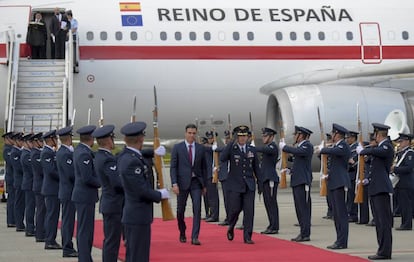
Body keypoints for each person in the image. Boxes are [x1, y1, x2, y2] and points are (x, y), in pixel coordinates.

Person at [118, 121, 170, 262]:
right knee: (138, 256)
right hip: (137, 216)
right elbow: (141, 190)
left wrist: (153, 152)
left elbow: (140, 154)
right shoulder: (132, 161)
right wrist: (160, 194)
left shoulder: (127, 156)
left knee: (135, 255)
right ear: (141, 139)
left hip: (135, 215)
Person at [357, 123, 394, 260]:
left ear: (379, 135)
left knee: (383, 222)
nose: (374, 138)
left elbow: (377, 151)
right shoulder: (378, 147)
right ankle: (381, 249)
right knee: (378, 222)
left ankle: (385, 251)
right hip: (375, 188)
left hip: (381, 189)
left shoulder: (386, 146)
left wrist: (364, 150)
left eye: (375, 135)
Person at [220, 125, 262, 244]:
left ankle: (247, 236)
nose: (242, 138)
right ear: (236, 137)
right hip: (235, 185)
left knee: (249, 211)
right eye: (240, 136)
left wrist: (260, 182)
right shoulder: (232, 149)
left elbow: (256, 168)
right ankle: (231, 226)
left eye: (244, 136)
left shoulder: (252, 150)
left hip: (249, 185)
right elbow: (222, 158)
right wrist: (230, 143)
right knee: (235, 210)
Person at [170, 123, 207, 245]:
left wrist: (205, 185)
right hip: (182, 183)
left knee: (197, 209)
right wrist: (174, 183)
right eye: (189, 133)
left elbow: (204, 168)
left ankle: (195, 236)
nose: (192, 135)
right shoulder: (178, 148)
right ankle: (182, 231)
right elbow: (173, 167)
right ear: (185, 133)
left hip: (196, 183)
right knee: (180, 210)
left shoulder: (201, 148)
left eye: (194, 133)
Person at [92, 125, 124, 262]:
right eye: (112, 138)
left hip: (110, 203)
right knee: (112, 241)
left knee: (111, 240)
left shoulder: (101, 156)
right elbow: (116, 183)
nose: (113, 141)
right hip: (113, 204)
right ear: (108, 140)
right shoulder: (107, 159)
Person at [319, 123, 351, 249]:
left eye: (333, 133)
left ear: (337, 134)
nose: (332, 135)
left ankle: (342, 241)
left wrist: (323, 148)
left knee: (341, 214)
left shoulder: (343, 145)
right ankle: (339, 239)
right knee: (336, 214)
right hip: (334, 182)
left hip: (340, 183)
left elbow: (333, 151)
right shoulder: (336, 146)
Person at [279, 126, 313, 242]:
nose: (294, 137)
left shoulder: (307, 145)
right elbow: (298, 164)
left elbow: (299, 152)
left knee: (303, 209)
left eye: (296, 135)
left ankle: (305, 234)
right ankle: (303, 232)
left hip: (303, 181)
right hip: (297, 180)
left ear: (301, 135)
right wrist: (290, 170)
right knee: (299, 208)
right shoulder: (300, 147)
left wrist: (285, 147)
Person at [72, 125, 100, 262]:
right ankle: (84, 258)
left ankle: (85, 257)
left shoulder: (81, 150)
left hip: (84, 195)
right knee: (84, 231)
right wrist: (102, 182)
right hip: (84, 195)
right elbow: (87, 177)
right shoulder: (84, 153)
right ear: (91, 138)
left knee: (86, 230)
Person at [56, 126, 78, 257]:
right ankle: (67, 247)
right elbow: (71, 174)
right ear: (69, 138)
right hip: (68, 191)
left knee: (68, 220)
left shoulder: (64, 152)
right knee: (68, 221)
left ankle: (67, 246)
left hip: (67, 191)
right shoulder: (64, 154)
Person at [40, 130, 62, 249]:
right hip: (51, 189)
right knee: (51, 215)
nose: (56, 141)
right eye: (55, 139)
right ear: (50, 139)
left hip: (53, 189)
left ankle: (51, 239)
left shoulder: (51, 152)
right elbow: (51, 171)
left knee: (53, 215)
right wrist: (62, 176)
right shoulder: (46, 153)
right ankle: (49, 240)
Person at [256, 127, 279, 234]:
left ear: (271, 137)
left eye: (265, 136)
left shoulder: (272, 146)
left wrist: (253, 147)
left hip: (271, 179)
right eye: (263, 136)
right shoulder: (267, 147)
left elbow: (264, 149)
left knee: (271, 203)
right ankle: (271, 224)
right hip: (265, 178)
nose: (263, 138)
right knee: (267, 203)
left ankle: (274, 226)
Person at [392, 133, 414, 230]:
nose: (400, 143)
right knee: (402, 204)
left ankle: (407, 224)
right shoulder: (401, 153)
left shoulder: (410, 153)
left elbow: (409, 168)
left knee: (406, 205)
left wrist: (395, 169)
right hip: (400, 183)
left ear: (408, 142)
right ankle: (404, 223)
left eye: (402, 141)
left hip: (406, 183)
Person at [30, 132, 46, 242]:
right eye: (40, 141)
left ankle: (41, 232)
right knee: (41, 211)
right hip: (39, 185)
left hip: (40, 185)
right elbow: (40, 170)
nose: (42, 143)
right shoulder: (35, 154)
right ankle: (40, 234)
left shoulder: (38, 153)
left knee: (42, 210)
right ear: (35, 142)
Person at [20, 134, 36, 237]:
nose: (32, 144)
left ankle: (30, 227)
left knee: (31, 206)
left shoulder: (28, 153)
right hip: (29, 183)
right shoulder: (26, 155)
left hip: (30, 183)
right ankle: (29, 228)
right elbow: (32, 169)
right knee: (30, 207)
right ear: (25, 142)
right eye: (30, 142)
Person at [10, 132, 26, 232]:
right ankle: (18, 223)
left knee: (22, 203)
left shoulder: (20, 151)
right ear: (16, 141)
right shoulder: (14, 152)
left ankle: (20, 222)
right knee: (19, 203)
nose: (22, 142)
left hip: (22, 181)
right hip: (19, 180)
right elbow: (18, 167)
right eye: (20, 140)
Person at [203, 131, 220, 222]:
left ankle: (215, 215)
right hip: (207, 174)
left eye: (212, 138)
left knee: (213, 196)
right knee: (209, 196)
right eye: (209, 138)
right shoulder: (209, 147)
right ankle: (210, 213)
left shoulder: (215, 147)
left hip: (213, 174)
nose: (210, 140)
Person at [217, 130, 232, 226]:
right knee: (227, 200)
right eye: (226, 138)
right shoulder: (225, 149)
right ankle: (229, 217)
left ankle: (232, 217)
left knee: (233, 200)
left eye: (228, 138)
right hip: (224, 177)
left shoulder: (233, 148)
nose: (226, 140)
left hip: (232, 178)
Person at [2, 131, 16, 228]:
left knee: (15, 200)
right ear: (7, 139)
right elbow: (12, 162)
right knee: (11, 200)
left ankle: (14, 219)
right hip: (11, 178)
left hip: (14, 178)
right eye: (12, 138)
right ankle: (10, 220)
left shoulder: (12, 149)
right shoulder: (7, 150)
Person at [346, 131, 359, 222]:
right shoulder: (350, 148)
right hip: (348, 175)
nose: (347, 139)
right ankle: (349, 212)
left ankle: (353, 214)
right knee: (349, 197)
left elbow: (354, 162)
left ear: (353, 138)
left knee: (352, 196)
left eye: (349, 138)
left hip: (352, 174)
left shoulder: (356, 148)